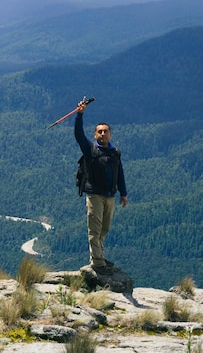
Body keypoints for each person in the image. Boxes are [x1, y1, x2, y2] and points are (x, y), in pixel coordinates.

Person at [75, 98, 128, 275]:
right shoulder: (90, 149)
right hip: (95, 195)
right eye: (99, 132)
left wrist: (123, 193)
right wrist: (79, 115)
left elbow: (119, 173)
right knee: (95, 228)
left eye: (105, 131)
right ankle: (97, 262)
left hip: (110, 195)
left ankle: (99, 256)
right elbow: (78, 135)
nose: (103, 134)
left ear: (110, 135)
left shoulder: (114, 153)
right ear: (95, 135)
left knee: (104, 228)